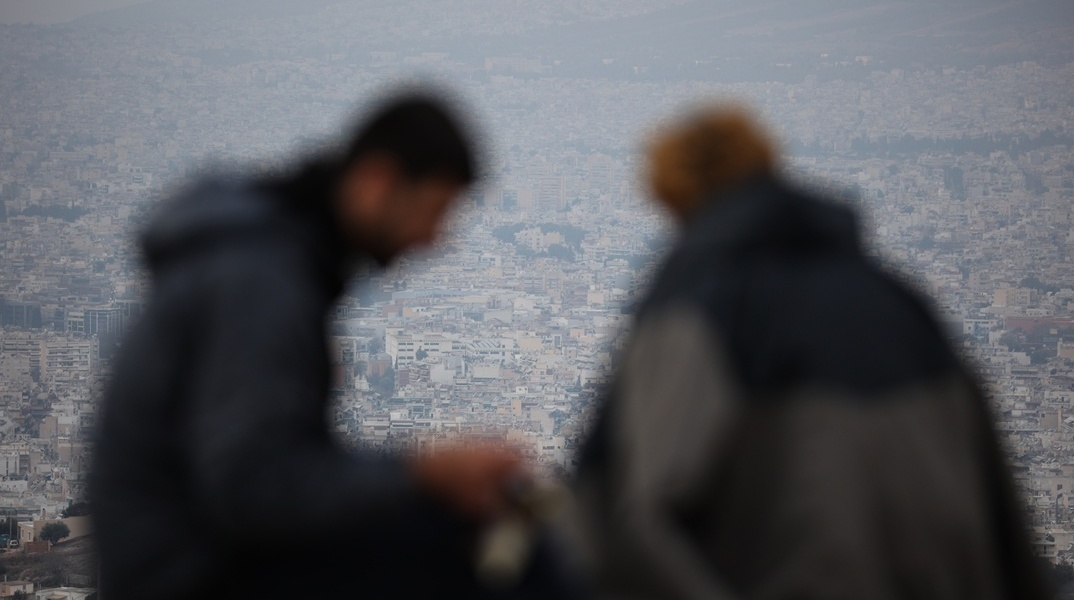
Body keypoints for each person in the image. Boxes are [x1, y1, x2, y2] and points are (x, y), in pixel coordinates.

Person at [567, 106, 1051, 599]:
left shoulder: (700, 305)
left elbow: (638, 513)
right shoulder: (895, 299)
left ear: (671, 198)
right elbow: (999, 512)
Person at [90, 91, 537, 599]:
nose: (434, 238)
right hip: (191, 573)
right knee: (494, 560)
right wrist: (420, 473)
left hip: (186, 555)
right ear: (378, 182)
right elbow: (254, 490)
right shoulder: (262, 280)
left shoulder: (270, 254)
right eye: (432, 211)